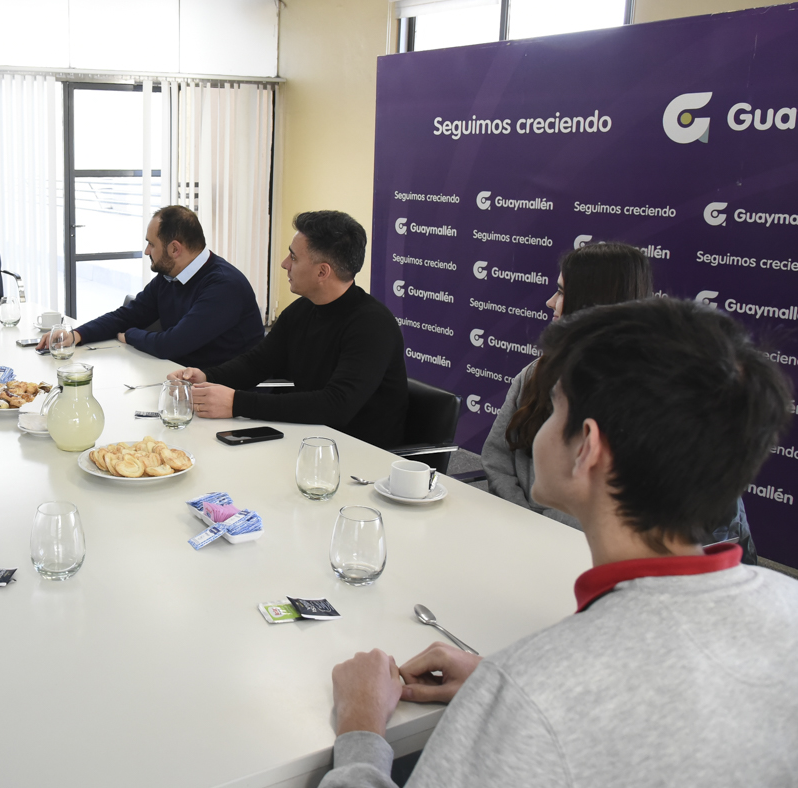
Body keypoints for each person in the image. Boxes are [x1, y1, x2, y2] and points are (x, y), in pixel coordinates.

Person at [320, 298, 797, 788]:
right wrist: (495, 677)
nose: (540, 429)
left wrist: (361, 727)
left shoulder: (531, 697)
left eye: (555, 408)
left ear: (587, 447)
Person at [481, 242, 754, 561]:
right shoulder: (536, 373)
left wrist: (549, 530)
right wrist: (523, 520)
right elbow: (498, 455)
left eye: (561, 291)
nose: (550, 301)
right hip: (526, 538)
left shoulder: (653, 398)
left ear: (591, 300)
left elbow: (628, 512)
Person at [168, 210, 408, 448]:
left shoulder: (372, 325)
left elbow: (336, 406)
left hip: (361, 452)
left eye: (293, 257)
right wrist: (207, 377)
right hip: (309, 438)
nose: (285, 264)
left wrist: (236, 403)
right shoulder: (303, 309)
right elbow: (257, 363)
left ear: (322, 272)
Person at [37, 205, 265, 367]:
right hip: (181, 379)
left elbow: (171, 344)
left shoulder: (224, 286)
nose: (147, 251)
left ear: (175, 249)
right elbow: (127, 315)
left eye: (151, 244)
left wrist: (130, 335)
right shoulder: (170, 276)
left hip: (228, 394)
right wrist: (76, 334)